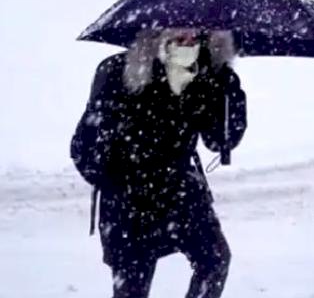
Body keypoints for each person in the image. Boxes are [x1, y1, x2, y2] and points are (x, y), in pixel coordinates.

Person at [70, 28, 248, 298]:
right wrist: (117, 181)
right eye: (179, 34)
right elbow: (85, 147)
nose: (188, 41)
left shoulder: (207, 75)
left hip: (181, 192)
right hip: (130, 201)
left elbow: (220, 140)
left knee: (215, 260)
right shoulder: (119, 70)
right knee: (132, 289)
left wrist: (227, 91)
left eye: (195, 36)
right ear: (157, 33)